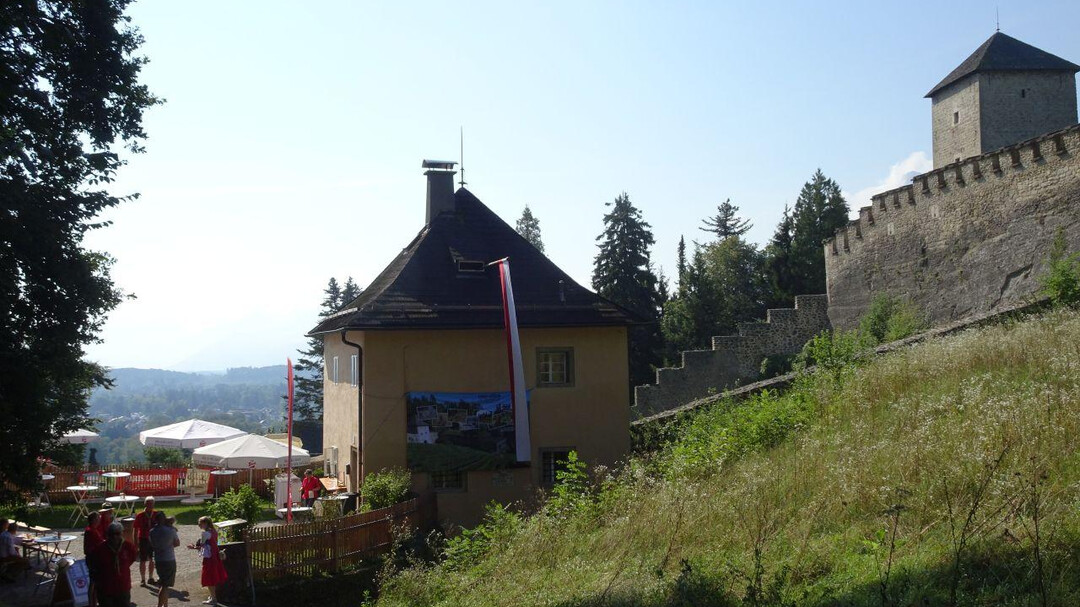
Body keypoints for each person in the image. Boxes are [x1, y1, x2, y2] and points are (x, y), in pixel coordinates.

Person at [88, 522, 136, 607]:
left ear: (122, 533)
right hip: (106, 588)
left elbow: (131, 559)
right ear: (107, 535)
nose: (114, 537)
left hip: (123, 586)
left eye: (117, 534)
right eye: (111, 534)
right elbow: (93, 564)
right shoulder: (100, 549)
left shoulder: (128, 546)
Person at [188, 516, 226, 606]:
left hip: (209, 558)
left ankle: (213, 599)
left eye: (200, 523)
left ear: (205, 523)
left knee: (209, 578)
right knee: (214, 576)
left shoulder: (205, 534)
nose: (199, 525)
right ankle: (212, 596)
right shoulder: (214, 531)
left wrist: (192, 547)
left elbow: (201, 546)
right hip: (215, 556)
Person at [149, 515, 180, 607]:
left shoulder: (152, 531)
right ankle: (159, 605)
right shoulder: (171, 530)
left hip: (158, 559)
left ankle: (165, 605)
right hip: (169, 559)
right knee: (165, 586)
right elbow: (177, 543)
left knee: (162, 582)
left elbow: (151, 543)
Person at [134, 496, 157, 586]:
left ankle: (151, 577)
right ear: (145, 504)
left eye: (151, 504)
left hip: (154, 540)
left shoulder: (156, 514)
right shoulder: (140, 515)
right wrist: (136, 543)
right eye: (148, 504)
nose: (150, 506)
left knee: (152, 559)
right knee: (143, 560)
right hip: (143, 539)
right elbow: (135, 530)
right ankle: (143, 579)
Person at [84, 512, 103, 607]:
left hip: (94, 559)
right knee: (93, 583)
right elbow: (98, 544)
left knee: (95, 583)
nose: (100, 519)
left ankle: (94, 603)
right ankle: (91, 604)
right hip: (93, 560)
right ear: (94, 520)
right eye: (98, 518)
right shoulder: (91, 531)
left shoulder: (93, 530)